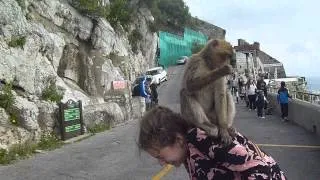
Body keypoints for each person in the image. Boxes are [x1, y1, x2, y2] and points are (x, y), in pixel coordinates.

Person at [138, 106, 287, 180]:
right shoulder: (187, 153)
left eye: (160, 156)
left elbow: (260, 169)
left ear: (178, 139)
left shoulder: (204, 139)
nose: (161, 163)